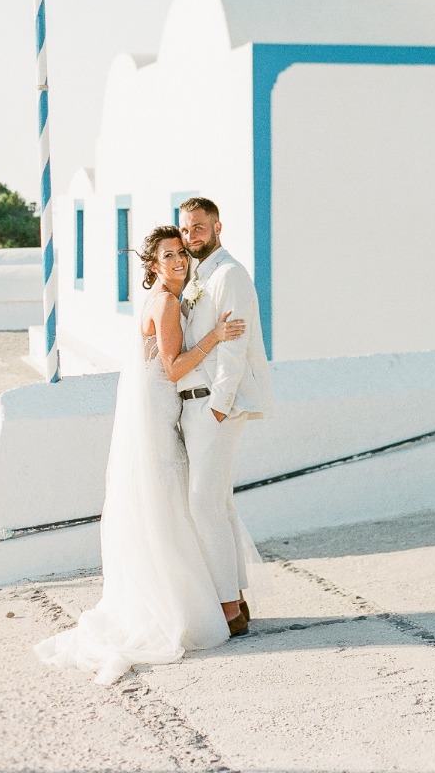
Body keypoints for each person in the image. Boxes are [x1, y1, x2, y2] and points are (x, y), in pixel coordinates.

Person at [34, 224, 247, 685]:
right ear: (153, 265)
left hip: (158, 414)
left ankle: (186, 598)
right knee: (170, 506)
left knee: (168, 507)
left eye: (180, 254)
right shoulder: (166, 302)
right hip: (157, 417)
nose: (177, 261)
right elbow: (172, 369)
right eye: (168, 256)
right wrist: (215, 338)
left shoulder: (164, 300)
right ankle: (181, 607)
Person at [177, 197, 274, 635]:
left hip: (217, 407)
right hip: (200, 406)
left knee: (203, 505)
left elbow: (235, 345)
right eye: (185, 229)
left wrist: (217, 406)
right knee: (217, 504)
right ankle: (235, 601)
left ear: (217, 228)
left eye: (199, 227)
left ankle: (228, 611)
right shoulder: (200, 275)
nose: (191, 235)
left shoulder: (230, 274)